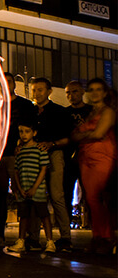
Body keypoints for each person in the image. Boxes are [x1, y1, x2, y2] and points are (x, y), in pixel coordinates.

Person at [70, 78, 116, 254]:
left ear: (104, 93)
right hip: (86, 157)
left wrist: (83, 134)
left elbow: (98, 133)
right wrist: (85, 135)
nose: (95, 92)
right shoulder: (91, 112)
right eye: (91, 89)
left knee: (96, 197)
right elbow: (75, 135)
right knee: (91, 199)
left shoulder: (108, 111)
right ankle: (99, 236)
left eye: (98, 89)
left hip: (102, 157)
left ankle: (106, 237)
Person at [0, 72, 36, 247]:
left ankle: (28, 236)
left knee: (25, 195)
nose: (5, 84)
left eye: (8, 81)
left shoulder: (25, 105)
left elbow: (31, 127)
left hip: (20, 155)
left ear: (13, 84)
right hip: (0, 156)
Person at [30, 77, 75, 251]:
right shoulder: (31, 111)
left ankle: (65, 237)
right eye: (34, 90)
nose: (37, 93)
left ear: (49, 92)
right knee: (35, 196)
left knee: (57, 196)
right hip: (34, 157)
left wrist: (52, 144)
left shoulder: (59, 112)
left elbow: (67, 138)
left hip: (54, 155)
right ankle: (33, 237)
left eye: (40, 90)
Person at [7, 120, 53, 253]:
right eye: (21, 132)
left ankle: (50, 241)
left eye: (27, 131)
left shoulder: (40, 149)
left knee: (43, 214)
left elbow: (43, 169)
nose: (24, 135)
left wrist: (35, 187)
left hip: (37, 190)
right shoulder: (19, 152)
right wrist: (19, 188)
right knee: (24, 215)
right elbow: (16, 171)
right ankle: (21, 240)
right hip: (24, 189)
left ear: (34, 133)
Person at [63, 80, 92, 226]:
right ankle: (66, 223)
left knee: (89, 193)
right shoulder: (64, 113)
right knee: (66, 192)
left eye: (74, 91)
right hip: (69, 158)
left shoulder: (91, 111)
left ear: (82, 92)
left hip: (87, 157)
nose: (71, 95)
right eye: (68, 92)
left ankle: (89, 223)